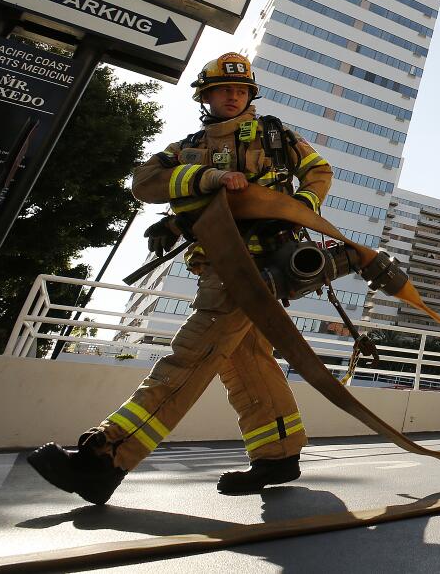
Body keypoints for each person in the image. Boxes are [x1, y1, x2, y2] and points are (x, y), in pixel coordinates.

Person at [27, 53, 332, 504]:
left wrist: (291, 209)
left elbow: (319, 171)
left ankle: (106, 457)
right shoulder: (188, 147)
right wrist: (203, 183)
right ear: (204, 96)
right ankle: (279, 454)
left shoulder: (274, 134)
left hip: (255, 267)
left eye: (241, 89)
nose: (233, 96)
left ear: (250, 94)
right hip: (215, 263)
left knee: (189, 359)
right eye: (223, 90)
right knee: (245, 359)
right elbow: (145, 181)